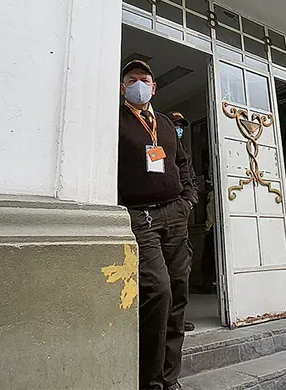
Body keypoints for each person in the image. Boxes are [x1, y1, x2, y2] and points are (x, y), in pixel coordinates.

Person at [118, 60, 197, 390]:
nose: (139, 83)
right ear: (123, 87)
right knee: (159, 293)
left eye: (144, 79)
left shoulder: (164, 123)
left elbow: (183, 162)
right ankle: (150, 383)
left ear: (154, 87)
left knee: (178, 294)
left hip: (175, 215)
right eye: (131, 79)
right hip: (141, 219)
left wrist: (189, 199)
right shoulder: (114, 120)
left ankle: (170, 378)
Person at [169, 112, 197, 334]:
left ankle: (177, 320)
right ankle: (164, 319)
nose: (179, 128)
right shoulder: (160, 144)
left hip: (180, 216)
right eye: (175, 125)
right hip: (162, 215)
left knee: (181, 270)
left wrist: (189, 201)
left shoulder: (184, 153)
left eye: (181, 125)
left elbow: (190, 179)